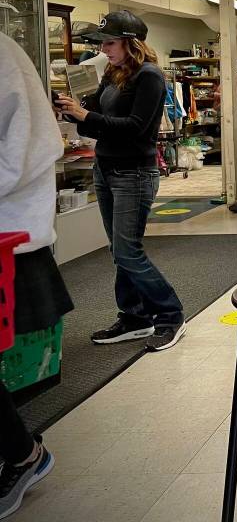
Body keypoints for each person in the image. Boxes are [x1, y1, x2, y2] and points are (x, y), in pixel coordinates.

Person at [55, 10, 185, 351]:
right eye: (102, 44)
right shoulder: (113, 74)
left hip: (134, 173)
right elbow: (90, 125)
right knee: (119, 251)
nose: (105, 50)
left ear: (132, 43)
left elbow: (135, 128)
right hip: (105, 169)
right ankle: (135, 317)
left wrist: (87, 116)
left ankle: (170, 314)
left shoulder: (150, 77)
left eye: (110, 43)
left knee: (128, 251)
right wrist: (75, 112)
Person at [0, 31, 74, 518]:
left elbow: (25, 148)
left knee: (130, 253)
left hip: (9, 235)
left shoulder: (4, 56)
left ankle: (23, 454)